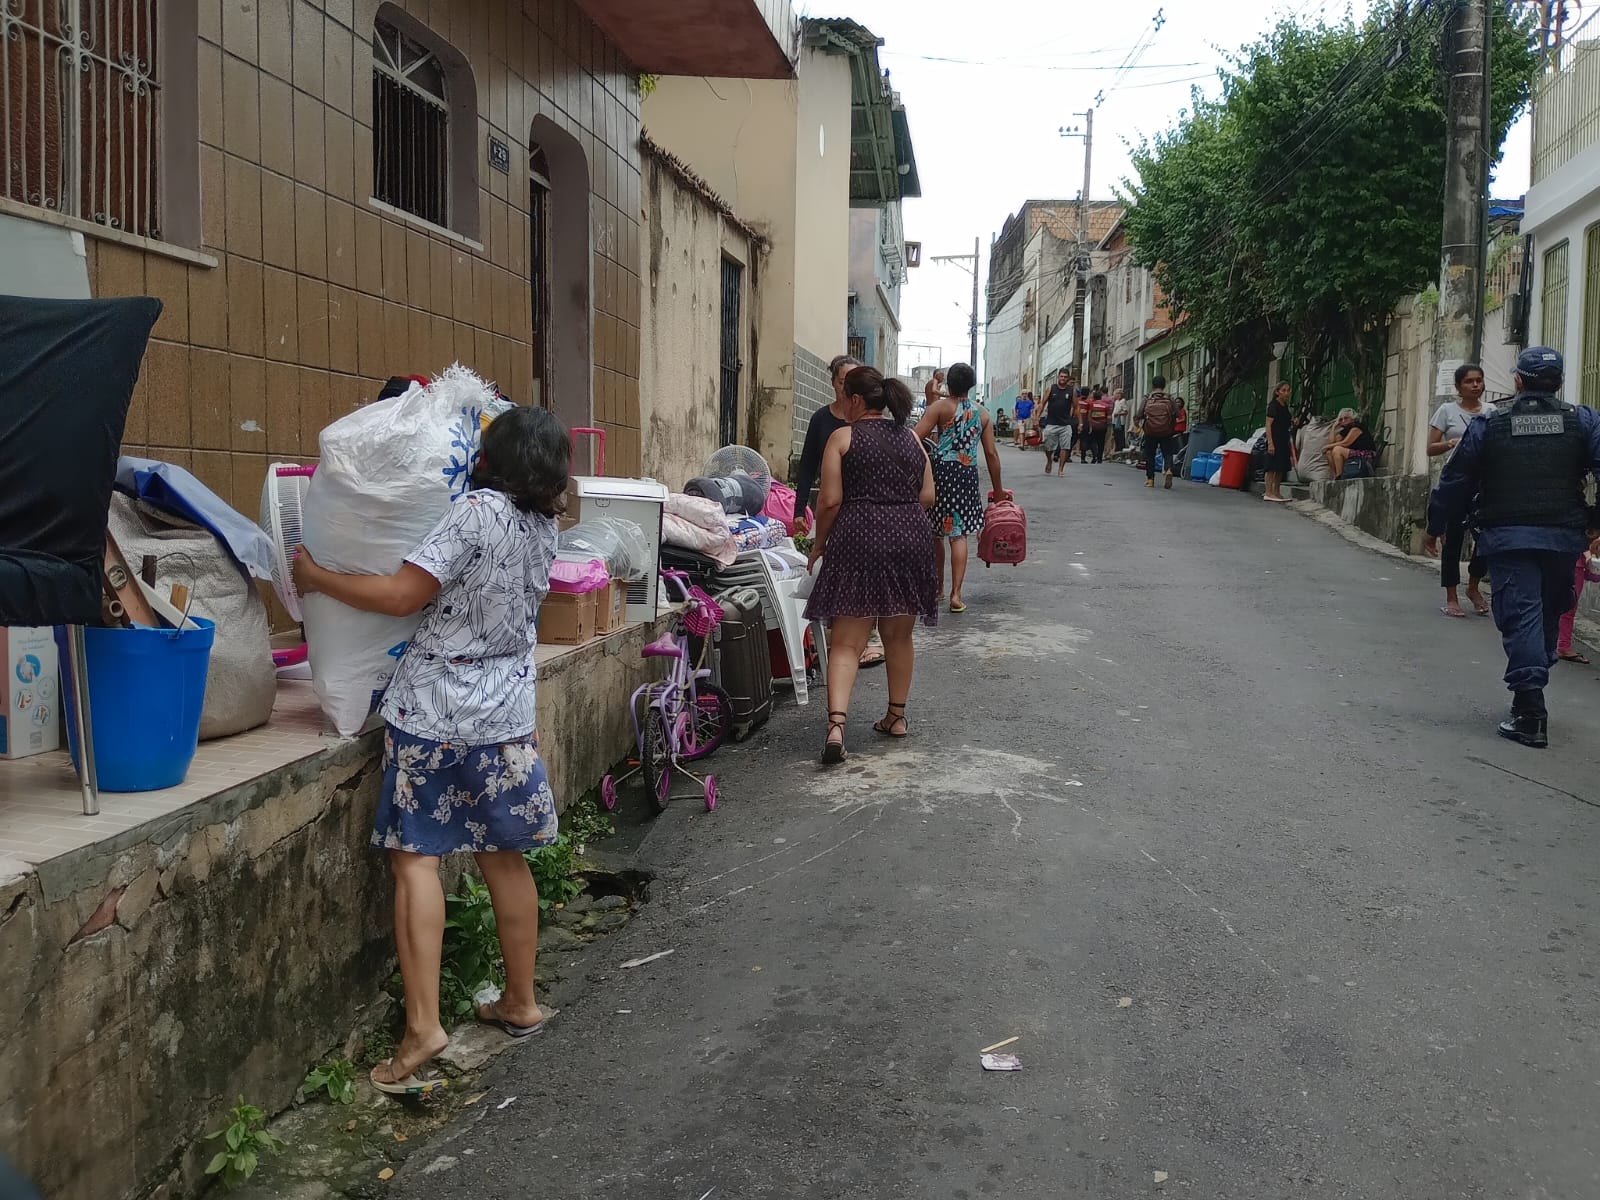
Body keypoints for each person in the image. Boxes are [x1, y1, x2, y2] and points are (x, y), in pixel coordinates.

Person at [293, 406, 570, 1094]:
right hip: (506, 713)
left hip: (439, 709)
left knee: (414, 856)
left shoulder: (477, 511)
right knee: (501, 854)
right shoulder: (545, 525)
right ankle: (522, 1000)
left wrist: (315, 576)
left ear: (493, 459)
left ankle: (423, 1029)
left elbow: (400, 595)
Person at [1425, 347, 1600, 748]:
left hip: (1509, 538)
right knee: (1549, 611)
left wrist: (1434, 526)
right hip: (1562, 539)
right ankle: (1532, 688)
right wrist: (1594, 522)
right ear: (1558, 382)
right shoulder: (1584, 421)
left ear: (1518, 382)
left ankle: (1529, 712)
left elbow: (1455, 482)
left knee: (1523, 616)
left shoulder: (1490, 424)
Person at [805, 367, 938, 764]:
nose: (840, 402)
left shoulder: (842, 438)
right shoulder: (913, 439)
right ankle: (895, 718)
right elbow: (927, 496)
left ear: (856, 400)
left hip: (858, 539)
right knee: (899, 637)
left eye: (844, 395)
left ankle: (835, 728)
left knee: (846, 642)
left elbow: (829, 501)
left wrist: (818, 546)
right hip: (910, 541)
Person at [794, 354, 884, 668]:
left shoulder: (868, 424)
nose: (847, 387)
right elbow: (806, 468)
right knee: (828, 577)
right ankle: (834, 643)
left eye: (852, 381)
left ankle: (866, 639)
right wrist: (798, 509)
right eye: (843, 380)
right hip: (832, 510)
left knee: (863, 577)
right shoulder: (822, 420)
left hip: (861, 514)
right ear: (834, 383)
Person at [915, 362, 1005, 612]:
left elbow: (915, 436)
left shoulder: (939, 407)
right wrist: (998, 492)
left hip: (940, 473)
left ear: (948, 384)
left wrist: (924, 460)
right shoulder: (983, 414)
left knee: (937, 534)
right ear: (971, 385)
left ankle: (938, 589)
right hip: (966, 476)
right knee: (959, 534)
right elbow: (991, 455)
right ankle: (956, 594)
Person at [1430, 363, 1492, 617]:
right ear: (1458, 387)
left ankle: (1474, 586)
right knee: (1453, 536)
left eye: (1479, 380)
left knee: (1487, 537)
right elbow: (1430, 448)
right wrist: (1450, 444)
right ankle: (1452, 595)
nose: (1475, 385)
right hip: (1457, 479)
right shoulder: (1447, 411)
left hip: (1486, 481)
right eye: (1469, 381)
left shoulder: (1492, 412)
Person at [1557, 528, 1600, 664]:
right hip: (1576, 562)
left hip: (1573, 560)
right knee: (1569, 607)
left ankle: (1559, 644)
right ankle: (1563, 645)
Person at [1137, 375, 1181, 489]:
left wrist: (1138, 422)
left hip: (1150, 431)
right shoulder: (1169, 398)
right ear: (1164, 385)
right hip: (1166, 431)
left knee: (1150, 454)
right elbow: (1178, 414)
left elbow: (1139, 413)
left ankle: (1150, 480)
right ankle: (1169, 470)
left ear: (1153, 385)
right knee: (1167, 453)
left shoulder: (1147, 398)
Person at [1325, 408, 1378, 479]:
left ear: (1353, 418)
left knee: (1337, 449)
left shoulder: (1357, 427)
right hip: (1354, 453)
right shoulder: (1345, 430)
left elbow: (1345, 443)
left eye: (1346, 418)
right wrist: (1334, 427)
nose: (1343, 421)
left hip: (1366, 455)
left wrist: (1327, 446)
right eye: (1341, 419)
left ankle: (1339, 476)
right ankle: (1335, 476)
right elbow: (1332, 443)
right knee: (1329, 452)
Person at [1040, 368, 1075, 476]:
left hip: (1065, 424)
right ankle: (1049, 461)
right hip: (1051, 422)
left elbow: (1076, 407)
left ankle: (1061, 469)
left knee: (1065, 447)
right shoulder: (1051, 388)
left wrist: (1080, 422)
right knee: (1048, 446)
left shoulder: (1071, 391)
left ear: (1068, 378)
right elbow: (1043, 403)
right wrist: (1037, 417)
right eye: (1061, 376)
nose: (1063, 378)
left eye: (1065, 377)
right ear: (1058, 377)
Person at [1263, 381, 1293, 503]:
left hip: (1283, 439)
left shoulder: (1285, 406)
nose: (1286, 393)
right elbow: (1268, 425)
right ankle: (1269, 492)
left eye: (1288, 390)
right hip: (1275, 439)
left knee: (1281, 467)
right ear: (1277, 392)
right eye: (1283, 390)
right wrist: (1270, 443)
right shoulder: (1273, 406)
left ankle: (1276, 491)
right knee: (1272, 467)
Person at [1083, 385, 1113, 464]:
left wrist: (1090, 423)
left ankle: (1094, 457)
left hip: (1093, 426)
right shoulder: (1106, 406)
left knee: (1093, 441)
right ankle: (1099, 458)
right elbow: (1109, 417)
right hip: (1102, 426)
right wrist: (1107, 424)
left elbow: (1089, 415)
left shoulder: (1091, 404)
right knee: (1101, 442)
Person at [1111, 387, 1130, 453]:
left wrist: (1118, 414)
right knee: (1116, 435)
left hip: (1120, 422)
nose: (1115, 395)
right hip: (1115, 421)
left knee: (1120, 435)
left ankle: (1121, 448)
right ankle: (1117, 448)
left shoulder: (1123, 401)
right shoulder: (1116, 401)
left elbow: (1126, 412)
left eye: (1116, 394)